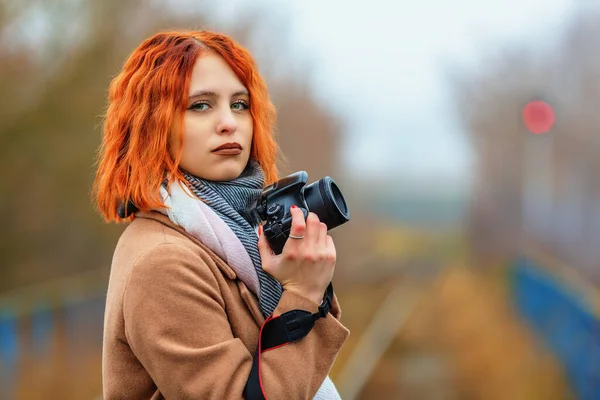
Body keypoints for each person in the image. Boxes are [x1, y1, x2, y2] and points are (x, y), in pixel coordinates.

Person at [93, 30, 350, 399]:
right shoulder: (164, 262)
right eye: (200, 105)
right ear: (152, 127)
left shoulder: (239, 229)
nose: (229, 122)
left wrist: (305, 279)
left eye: (240, 104)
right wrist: (304, 295)